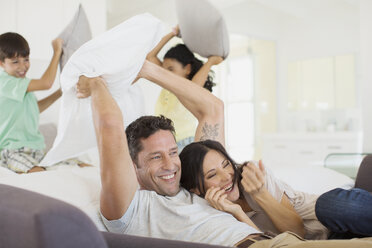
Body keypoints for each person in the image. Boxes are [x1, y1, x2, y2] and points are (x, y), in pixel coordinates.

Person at [77, 60, 372, 248]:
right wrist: (95, 83)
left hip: (279, 241)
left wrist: (146, 69)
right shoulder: (130, 206)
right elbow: (111, 125)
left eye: (172, 152)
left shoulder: (195, 186)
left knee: (339, 210)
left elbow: (213, 109)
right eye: (155, 157)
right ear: (133, 166)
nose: (170, 164)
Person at [179, 140, 329, 240]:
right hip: (328, 240)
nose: (226, 176)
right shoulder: (213, 215)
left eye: (226, 164)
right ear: (196, 189)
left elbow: (297, 232)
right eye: (212, 175)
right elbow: (265, 244)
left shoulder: (253, 175)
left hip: (327, 216)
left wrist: (260, 193)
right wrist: (237, 212)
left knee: (340, 205)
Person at [146, 26, 223, 151]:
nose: (165, 73)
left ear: (187, 69)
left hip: (184, 144)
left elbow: (194, 88)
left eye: (171, 69)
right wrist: (172, 33)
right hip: (166, 143)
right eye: (164, 69)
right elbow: (150, 57)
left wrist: (210, 62)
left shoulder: (188, 88)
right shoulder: (167, 83)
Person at [0, 32, 63, 173]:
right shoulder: (5, 83)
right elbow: (46, 83)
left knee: (75, 161)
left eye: (26, 59)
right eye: (15, 62)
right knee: (38, 173)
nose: (23, 66)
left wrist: (60, 93)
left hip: (35, 148)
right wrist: (57, 52)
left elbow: (36, 108)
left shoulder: (21, 84)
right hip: (12, 150)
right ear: (1, 63)